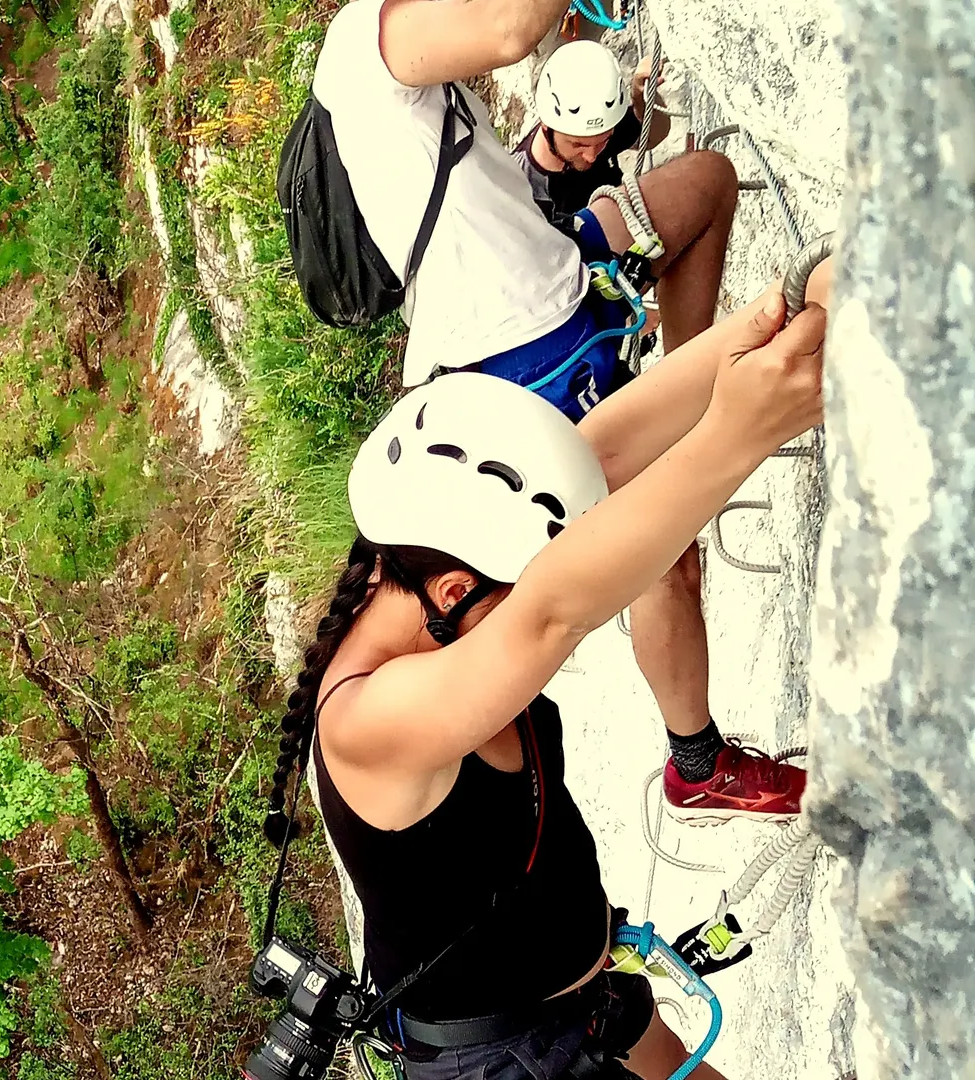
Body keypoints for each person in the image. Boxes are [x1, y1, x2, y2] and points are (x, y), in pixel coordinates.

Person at [264, 271, 830, 1079]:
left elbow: (601, 451)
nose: (545, 576)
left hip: (587, 999)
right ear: (457, 592)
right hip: (506, 1062)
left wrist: (778, 317)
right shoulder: (367, 723)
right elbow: (551, 611)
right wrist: (742, 433)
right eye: (525, 574)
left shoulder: (436, 579)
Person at [313, 0, 796, 819]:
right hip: (513, 357)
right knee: (660, 553)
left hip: (558, 260)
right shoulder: (369, 40)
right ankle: (697, 761)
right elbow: (508, 31)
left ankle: (691, 399)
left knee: (704, 190)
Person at [515, 40, 668, 234]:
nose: (591, 156)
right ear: (546, 127)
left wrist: (641, 97)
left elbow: (654, 136)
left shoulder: (595, 128)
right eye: (577, 144)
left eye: (603, 141)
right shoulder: (522, 188)